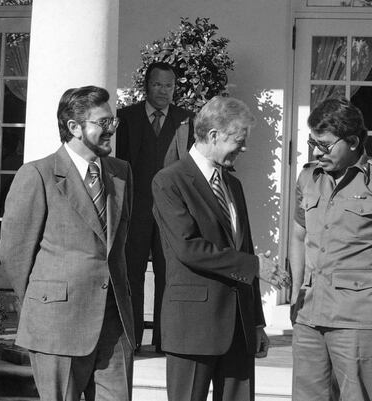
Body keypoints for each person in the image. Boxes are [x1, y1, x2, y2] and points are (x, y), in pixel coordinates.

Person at [0, 86, 135, 401]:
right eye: (103, 122)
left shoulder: (121, 173)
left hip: (115, 325)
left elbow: (121, 245)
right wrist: (45, 301)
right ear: (74, 127)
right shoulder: (37, 174)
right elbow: (14, 252)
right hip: (58, 325)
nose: (111, 129)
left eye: (112, 121)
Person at [151, 95, 290, 401]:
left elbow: (244, 248)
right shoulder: (169, 181)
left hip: (238, 329)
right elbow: (189, 248)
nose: (244, 148)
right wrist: (255, 266)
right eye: (238, 141)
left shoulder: (232, 185)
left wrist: (255, 323)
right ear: (213, 135)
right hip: (192, 328)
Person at [289, 97, 372, 401]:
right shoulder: (308, 178)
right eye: (312, 142)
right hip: (309, 314)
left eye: (325, 145)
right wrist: (295, 292)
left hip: (360, 319)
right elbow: (297, 237)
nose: (316, 152)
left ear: (354, 141)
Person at [116, 61, 194, 352]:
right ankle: (132, 339)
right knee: (131, 274)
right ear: (146, 85)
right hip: (134, 210)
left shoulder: (187, 119)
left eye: (169, 85)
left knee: (169, 274)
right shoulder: (125, 118)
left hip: (171, 213)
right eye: (158, 85)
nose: (163, 91)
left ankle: (166, 340)